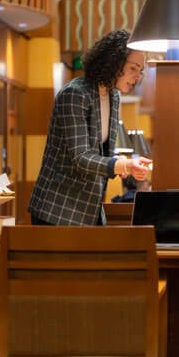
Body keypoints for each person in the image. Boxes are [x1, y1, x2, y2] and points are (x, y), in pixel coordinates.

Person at [28, 29, 152, 226]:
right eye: (133, 68)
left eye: (141, 71)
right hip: (57, 209)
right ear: (113, 62)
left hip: (89, 208)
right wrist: (123, 165)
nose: (138, 77)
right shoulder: (75, 94)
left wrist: (123, 164)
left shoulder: (114, 96)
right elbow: (81, 156)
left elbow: (100, 152)